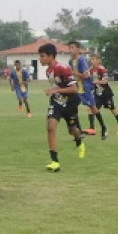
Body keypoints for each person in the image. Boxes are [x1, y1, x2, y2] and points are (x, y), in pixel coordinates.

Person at [40, 43, 85, 172]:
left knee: (72, 130)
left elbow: (74, 89)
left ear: (51, 56)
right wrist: (55, 92)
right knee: (50, 127)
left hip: (70, 104)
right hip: (56, 102)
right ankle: (55, 162)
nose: (40, 59)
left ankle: (79, 140)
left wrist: (55, 90)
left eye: (42, 56)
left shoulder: (63, 68)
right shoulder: (48, 71)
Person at [67, 41, 105, 137]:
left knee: (93, 109)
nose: (70, 50)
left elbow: (86, 75)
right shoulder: (70, 61)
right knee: (72, 108)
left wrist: (75, 73)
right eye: (69, 48)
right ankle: (79, 132)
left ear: (78, 49)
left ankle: (104, 128)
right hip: (76, 88)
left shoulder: (82, 60)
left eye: (72, 47)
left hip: (85, 88)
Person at [90, 54, 118, 137]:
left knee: (112, 109)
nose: (93, 61)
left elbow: (105, 81)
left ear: (99, 61)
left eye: (95, 59)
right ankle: (92, 129)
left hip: (106, 93)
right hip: (97, 93)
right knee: (92, 109)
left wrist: (95, 82)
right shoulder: (90, 70)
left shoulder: (102, 69)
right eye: (92, 59)